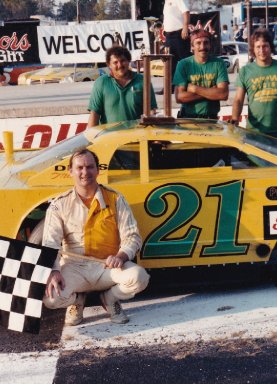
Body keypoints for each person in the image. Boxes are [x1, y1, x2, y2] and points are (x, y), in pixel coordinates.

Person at [43, 149, 150, 326]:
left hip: (106, 266)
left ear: (98, 170)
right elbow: (50, 243)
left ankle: (109, 299)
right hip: (74, 268)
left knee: (140, 277)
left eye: (90, 167)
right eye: (80, 168)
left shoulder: (115, 198)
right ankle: (77, 301)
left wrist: (121, 256)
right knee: (51, 298)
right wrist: (53, 271)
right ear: (70, 171)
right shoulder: (59, 204)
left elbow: (133, 236)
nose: (85, 173)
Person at [231, 29, 277, 140]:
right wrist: (234, 120)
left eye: (265, 46)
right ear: (253, 50)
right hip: (254, 133)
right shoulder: (245, 71)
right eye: (258, 47)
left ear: (271, 47)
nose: (262, 50)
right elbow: (238, 100)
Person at [88, 45, 157, 127]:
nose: (120, 65)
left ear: (129, 61)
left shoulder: (143, 81)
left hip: (137, 137)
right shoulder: (101, 82)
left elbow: (151, 112)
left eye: (123, 60)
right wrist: (90, 138)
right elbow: (94, 114)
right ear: (109, 64)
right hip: (109, 138)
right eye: (115, 62)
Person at [173, 29, 229, 119]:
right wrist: (211, 92)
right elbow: (179, 97)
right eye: (198, 43)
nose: (203, 47)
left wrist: (195, 89)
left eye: (206, 43)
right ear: (192, 47)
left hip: (212, 120)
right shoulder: (183, 64)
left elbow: (223, 94)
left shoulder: (219, 63)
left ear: (210, 45)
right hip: (188, 119)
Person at [157, 0, 191, 95]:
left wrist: (185, 27)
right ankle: (170, 87)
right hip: (169, 35)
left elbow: (186, 12)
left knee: (185, 60)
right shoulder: (166, 2)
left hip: (179, 34)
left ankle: (191, 85)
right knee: (170, 63)